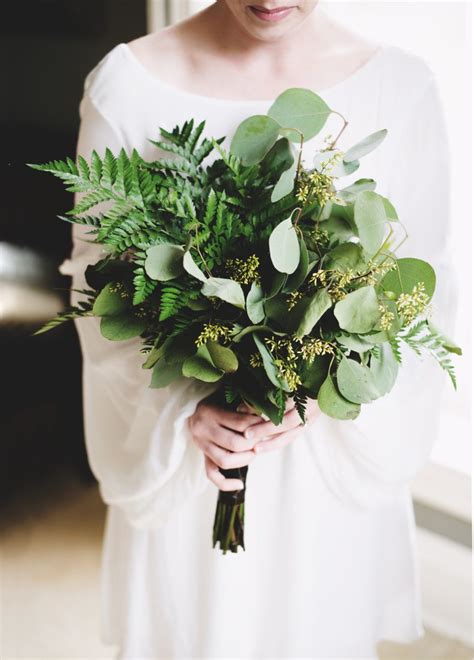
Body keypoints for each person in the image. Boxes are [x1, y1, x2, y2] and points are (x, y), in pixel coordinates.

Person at [59, 1, 454, 657]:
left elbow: (422, 289)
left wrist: (329, 392)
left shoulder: (399, 88)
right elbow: (96, 284)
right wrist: (175, 413)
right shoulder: (127, 84)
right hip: (197, 468)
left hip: (323, 467)